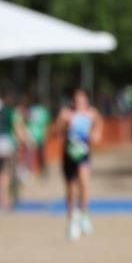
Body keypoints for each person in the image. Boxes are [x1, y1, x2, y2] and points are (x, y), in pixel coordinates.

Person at [54, 89, 102, 241]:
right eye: (76, 101)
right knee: (71, 188)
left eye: (82, 101)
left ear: (87, 101)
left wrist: (96, 134)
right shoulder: (66, 114)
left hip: (83, 154)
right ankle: (71, 221)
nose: (79, 104)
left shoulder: (91, 113)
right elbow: (56, 131)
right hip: (69, 154)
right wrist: (64, 123)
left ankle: (83, 213)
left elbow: (99, 124)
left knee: (84, 183)